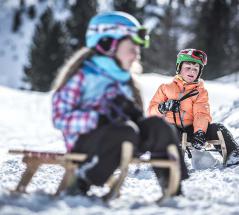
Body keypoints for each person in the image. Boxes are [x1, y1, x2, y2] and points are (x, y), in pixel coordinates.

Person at [52, 11, 188, 196]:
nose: (137, 54)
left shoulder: (124, 80)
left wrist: (134, 115)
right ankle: (82, 180)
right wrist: (97, 119)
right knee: (125, 130)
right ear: (107, 44)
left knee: (158, 125)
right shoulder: (83, 76)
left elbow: (131, 117)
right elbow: (60, 118)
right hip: (88, 144)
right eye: (132, 47)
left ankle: (171, 183)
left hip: (124, 138)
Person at [148, 48, 239, 166]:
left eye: (196, 69)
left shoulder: (200, 92)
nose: (192, 71)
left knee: (218, 128)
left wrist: (200, 132)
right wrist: (163, 107)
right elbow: (151, 111)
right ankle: (167, 160)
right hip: (172, 129)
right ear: (179, 68)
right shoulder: (165, 88)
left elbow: (201, 113)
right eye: (188, 68)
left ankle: (233, 155)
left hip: (194, 131)